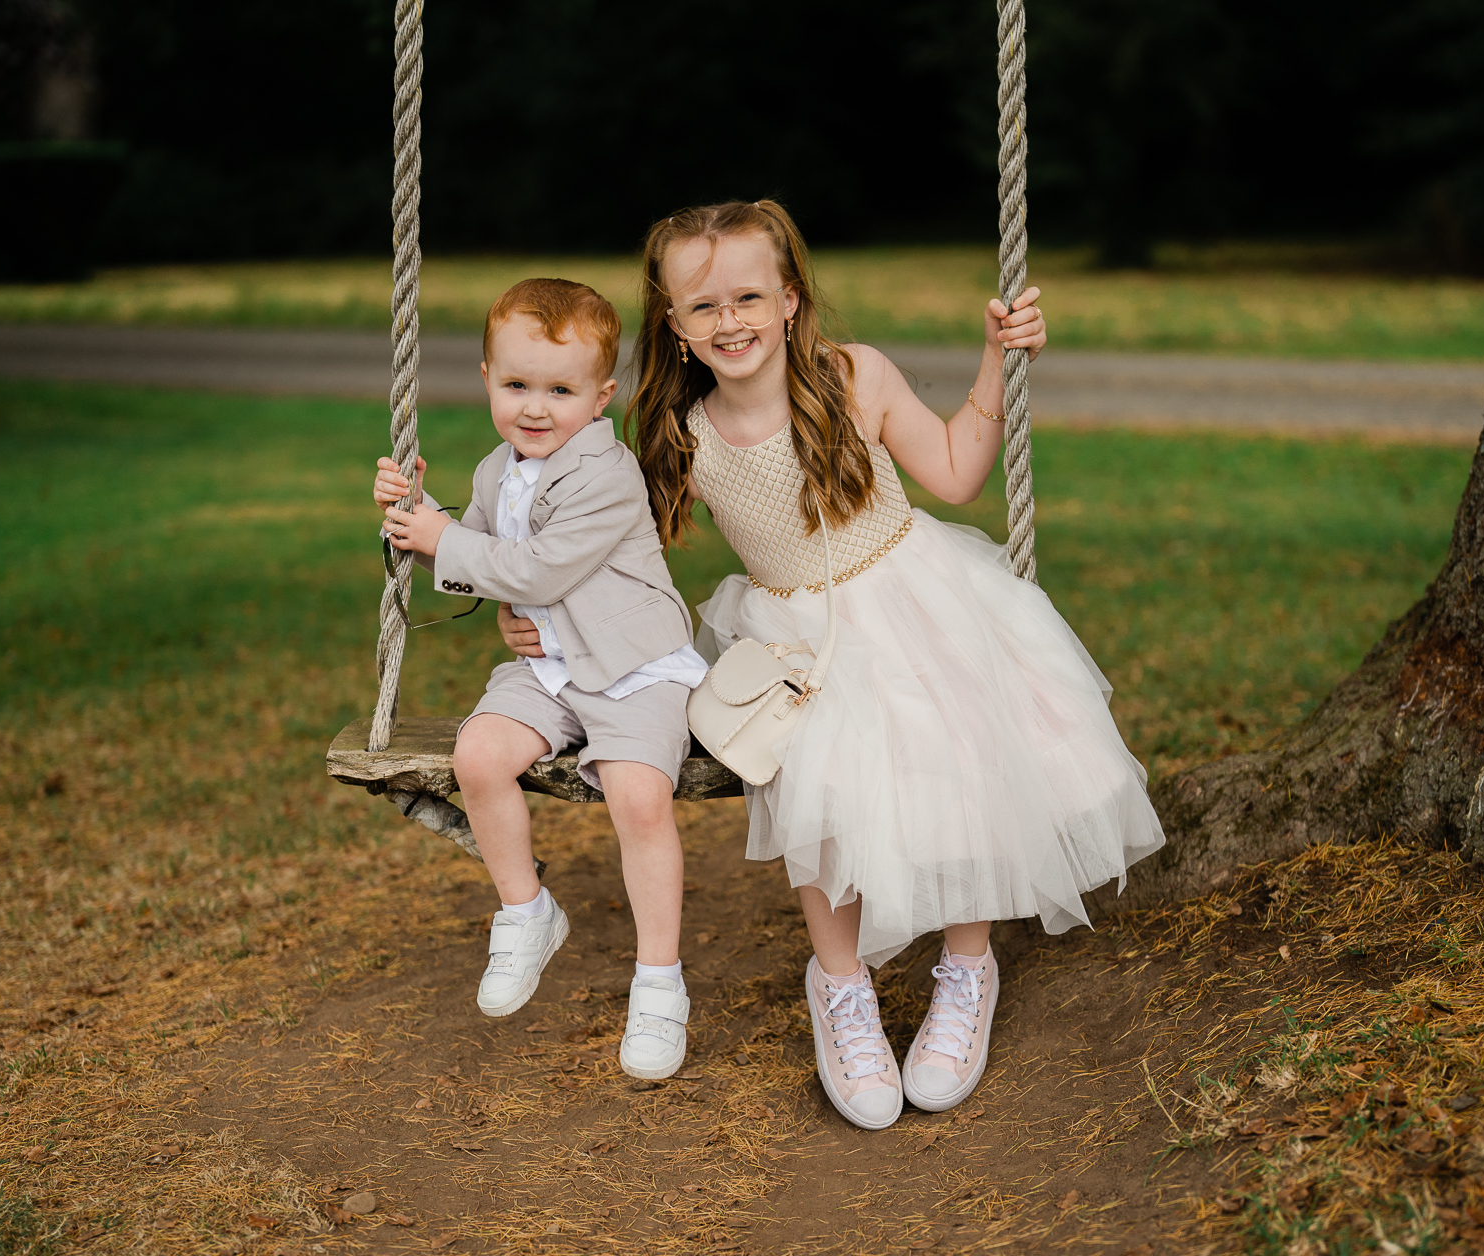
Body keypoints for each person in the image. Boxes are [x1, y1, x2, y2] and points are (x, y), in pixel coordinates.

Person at [501, 202, 1166, 1130]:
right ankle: (841, 987)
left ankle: (967, 965)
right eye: (703, 306)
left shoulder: (855, 378)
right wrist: (527, 605)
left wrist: (997, 361)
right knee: (815, 779)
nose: (729, 320)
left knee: (953, 751)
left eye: (747, 296)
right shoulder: (679, 434)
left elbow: (955, 472)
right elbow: (607, 552)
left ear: (789, 297)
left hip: (914, 593)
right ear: (673, 325)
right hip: (792, 637)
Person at [373, 277, 707, 1080]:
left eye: (561, 390)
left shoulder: (607, 472)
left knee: (639, 799)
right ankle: (527, 911)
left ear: (601, 398)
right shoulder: (499, 469)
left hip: (634, 670)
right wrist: (412, 519)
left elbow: (535, 567)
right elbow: (477, 561)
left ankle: (660, 981)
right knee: (479, 757)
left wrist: (447, 540)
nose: (536, 407)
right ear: (488, 379)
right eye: (518, 384)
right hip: (550, 665)